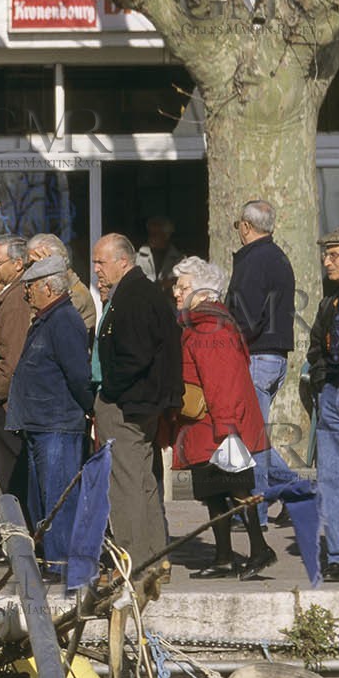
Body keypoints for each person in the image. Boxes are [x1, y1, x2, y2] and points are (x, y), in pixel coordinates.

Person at [171, 257, 272, 579]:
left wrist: (227, 429)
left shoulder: (208, 327)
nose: (176, 292)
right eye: (177, 286)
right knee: (214, 491)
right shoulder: (200, 324)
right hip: (206, 425)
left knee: (235, 487)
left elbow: (222, 381)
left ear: (203, 292)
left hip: (217, 425)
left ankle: (259, 549)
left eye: (183, 286)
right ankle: (224, 557)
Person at [93, 233, 183, 575]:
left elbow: (135, 355)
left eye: (101, 262)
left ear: (123, 261)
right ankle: (156, 558)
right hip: (141, 403)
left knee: (126, 485)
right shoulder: (141, 292)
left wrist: (109, 390)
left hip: (128, 404)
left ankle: (131, 561)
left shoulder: (133, 296)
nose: (96, 269)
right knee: (143, 481)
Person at [5, 254, 94, 578]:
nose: (26, 292)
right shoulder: (46, 319)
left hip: (57, 424)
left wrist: (90, 409)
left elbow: (78, 374)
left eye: (30, 286)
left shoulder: (64, 320)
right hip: (41, 424)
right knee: (42, 496)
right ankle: (52, 559)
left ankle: (61, 562)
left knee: (58, 497)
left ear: (48, 287)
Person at [225, 199, 295, 526]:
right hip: (274, 357)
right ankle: (298, 491)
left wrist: (226, 341)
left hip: (256, 355)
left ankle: (257, 513)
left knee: (251, 438)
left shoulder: (254, 260)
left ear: (246, 226)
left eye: (238, 225)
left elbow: (247, 317)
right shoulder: (278, 256)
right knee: (253, 436)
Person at [308, 228, 339, 581]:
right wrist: (322, 384)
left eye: (334, 254)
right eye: (326, 254)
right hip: (332, 394)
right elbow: (315, 347)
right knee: (332, 479)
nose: (327, 261)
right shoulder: (330, 301)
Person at [0, 235, 31, 509]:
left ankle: (22, 528)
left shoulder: (15, 301)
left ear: (18, 264)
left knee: (14, 477)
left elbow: (11, 359)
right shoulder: (8, 298)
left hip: (8, 404)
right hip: (6, 402)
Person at [26, 233, 96, 337]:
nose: (31, 270)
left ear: (56, 261)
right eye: (28, 265)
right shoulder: (41, 290)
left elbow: (41, 332)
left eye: (36, 264)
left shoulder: (76, 295)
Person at [136, 216, 183, 293]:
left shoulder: (179, 259)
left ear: (166, 236)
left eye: (155, 234)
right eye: (150, 234)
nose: (151, 237)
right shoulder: (138, 257)